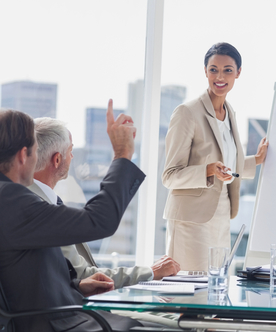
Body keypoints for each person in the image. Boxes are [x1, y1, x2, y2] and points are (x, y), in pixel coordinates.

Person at [0, 104, 151, 331]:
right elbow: (98, 221)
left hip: (59, 314)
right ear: (23, 155)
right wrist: (122, 155)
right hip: (58, 324)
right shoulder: (11, 200)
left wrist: (78, 285)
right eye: (34, 149)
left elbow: (22, 275)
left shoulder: (11, 198)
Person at [28, 117, 181, 288]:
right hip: (73, 311)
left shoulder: (33, 200)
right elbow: (84, 275)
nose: (72, 157)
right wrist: (151, 272)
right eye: (70, 151)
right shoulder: (39, 208)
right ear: (57, 160)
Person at [162, 42, 268, 271]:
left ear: (238, 73)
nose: (220, 76)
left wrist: (256, 160)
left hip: (221, 216)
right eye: (214, 70)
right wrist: (207, 170)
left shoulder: (229, 114)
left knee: (214, 291)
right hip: (191, 221)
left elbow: (226, 164)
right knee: (192, 294)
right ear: (205, 71)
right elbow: (170, 176)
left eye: (228, 70)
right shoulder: (187, 113)